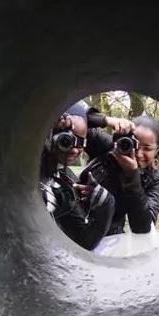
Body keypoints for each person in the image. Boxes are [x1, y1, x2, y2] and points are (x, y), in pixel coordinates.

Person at [79, 107, 159, 236]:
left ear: (158, 149)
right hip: (74, 215)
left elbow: (142, 227)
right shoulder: (109, 147)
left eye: (147, 148)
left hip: (108, 234)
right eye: (133, 144)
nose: (138, 153)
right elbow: (75, 118)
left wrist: (132, 174)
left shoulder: (157, 177)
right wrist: (107, 120)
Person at [39, 102, 115, 250]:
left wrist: (107, 205)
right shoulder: (23, 165)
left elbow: (84, 242)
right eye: (67, 139)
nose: (74, 149)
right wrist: (105, 120)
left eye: (81, 143)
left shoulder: (66, 182)